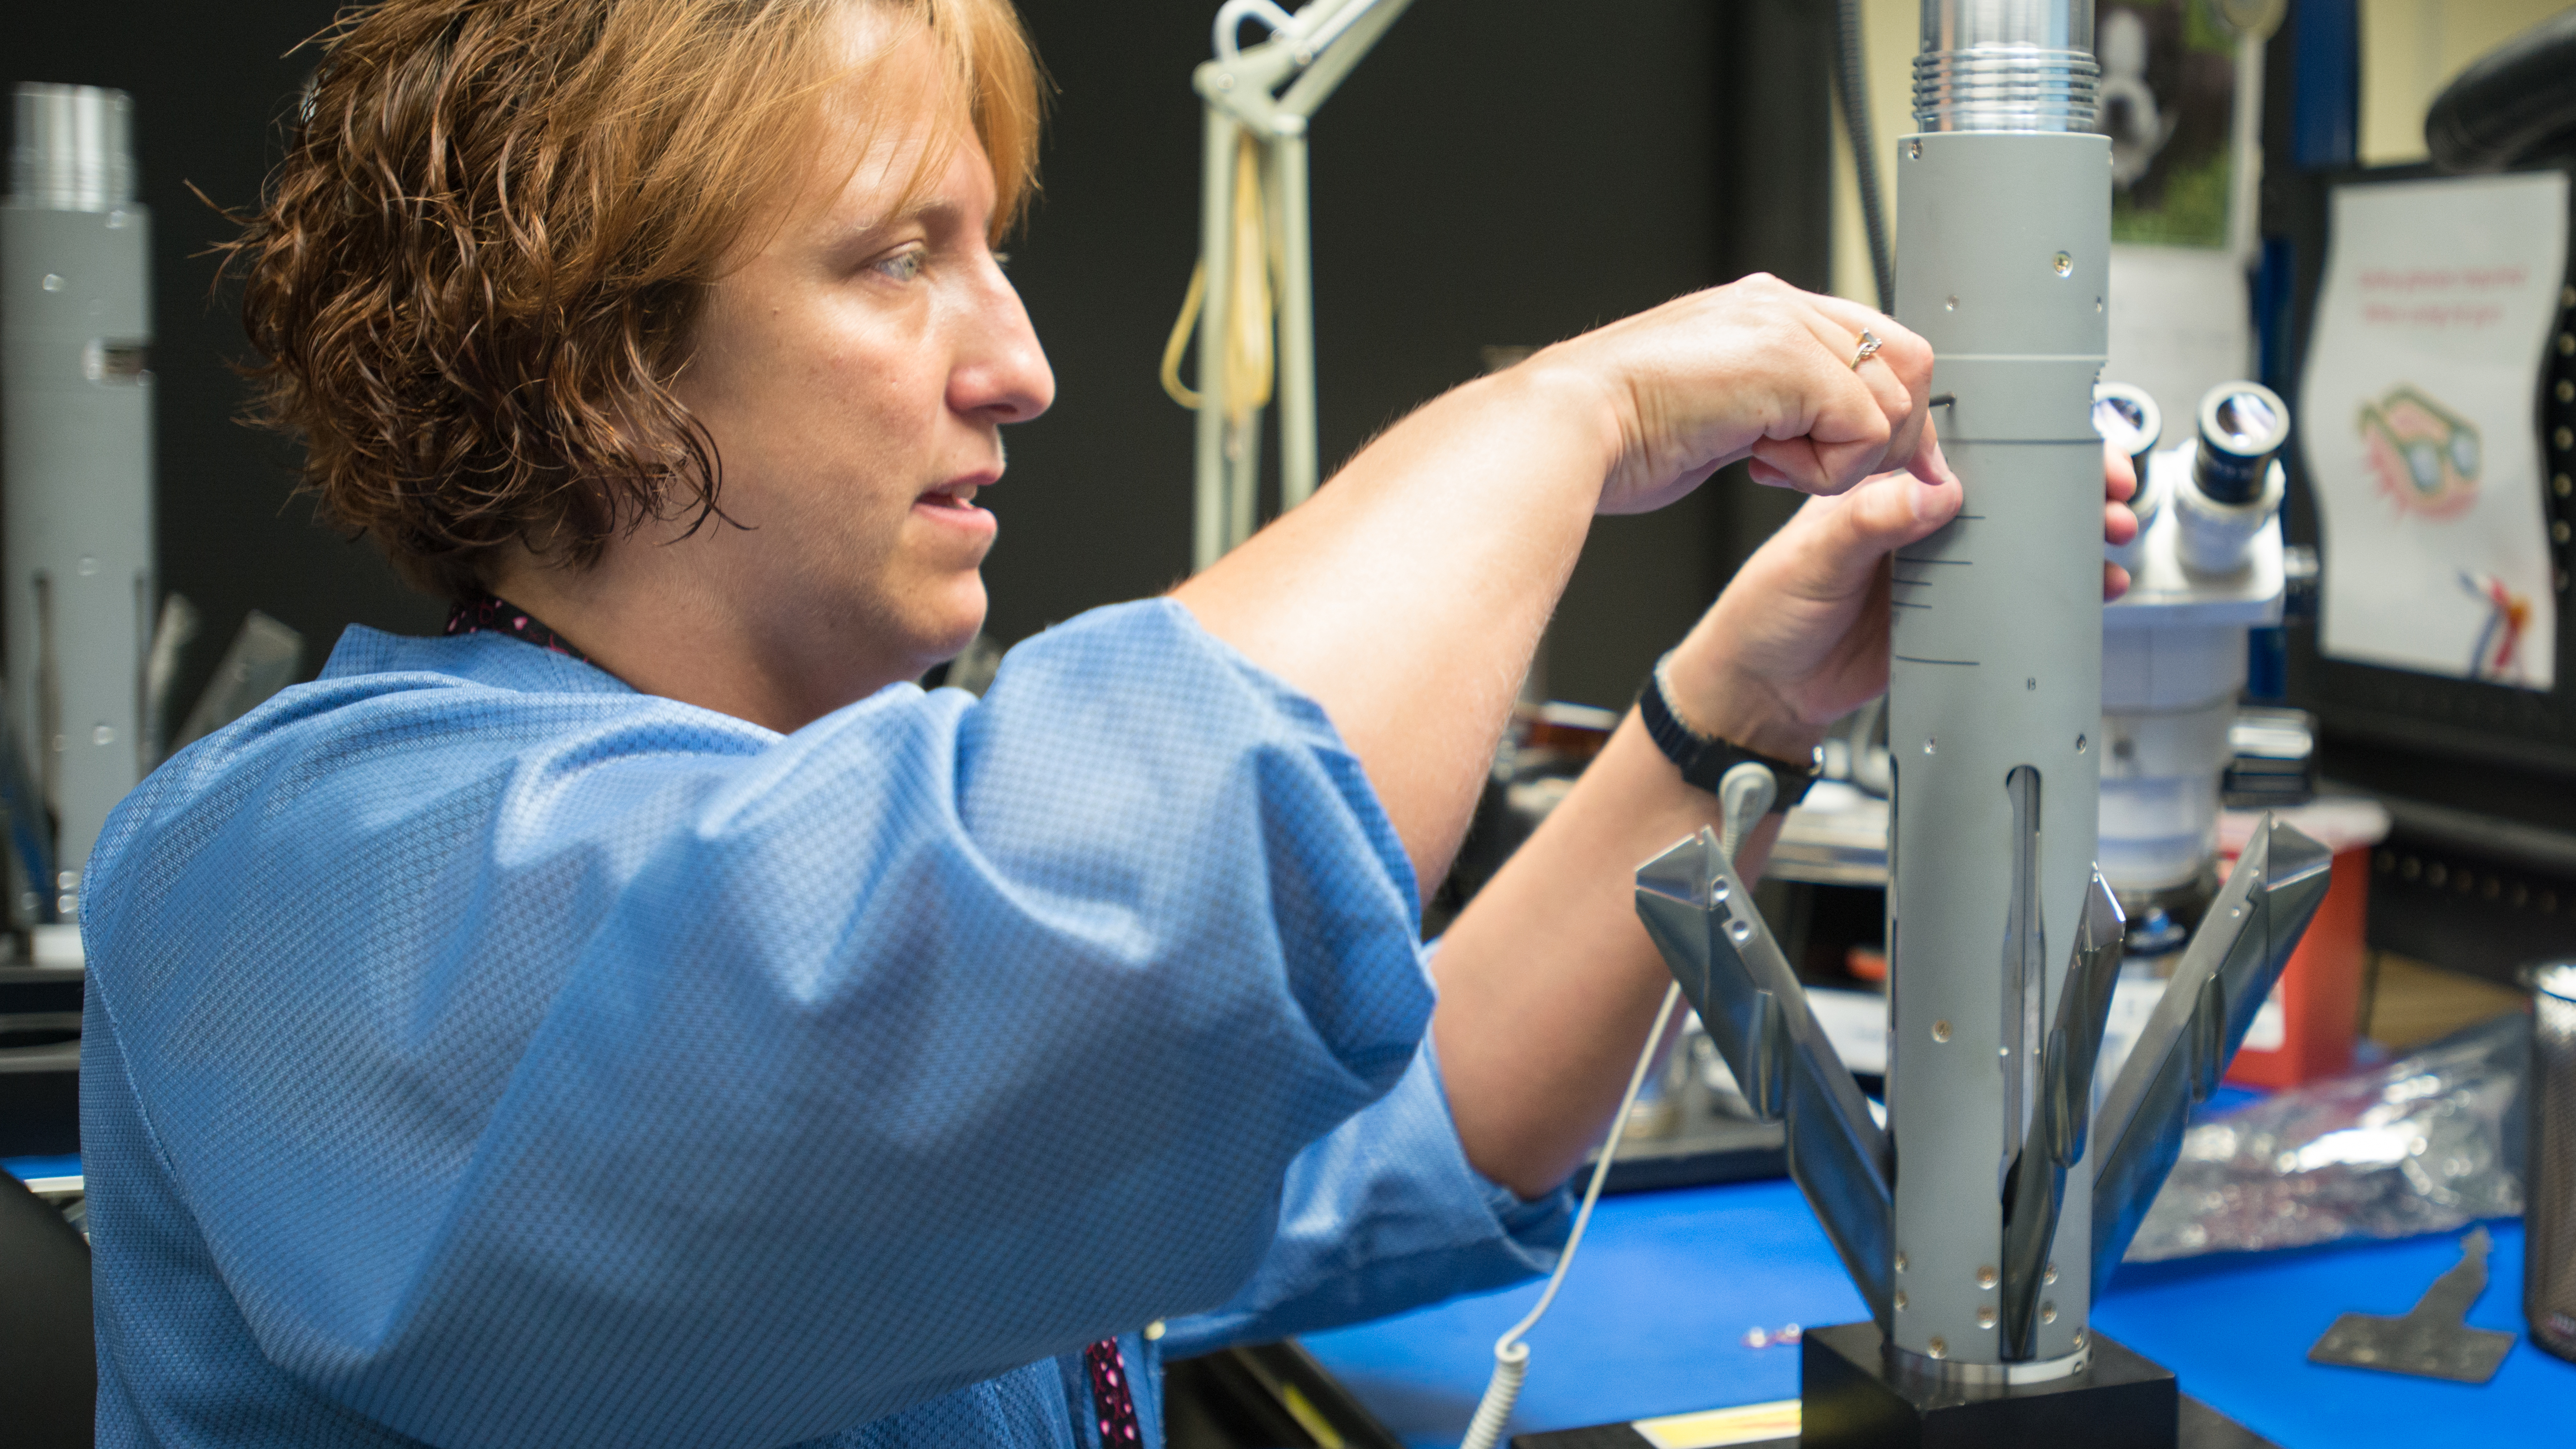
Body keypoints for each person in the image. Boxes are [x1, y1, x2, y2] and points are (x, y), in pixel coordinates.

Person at [80, 1, 2136, 1446]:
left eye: (999, 251)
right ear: (602, 353)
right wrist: (1558, 412)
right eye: (901, 259)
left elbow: (1386, 1136)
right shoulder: (291, 878)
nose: (1027, 363)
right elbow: (1110, 917)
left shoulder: (810, 824)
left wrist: (1721, 713)